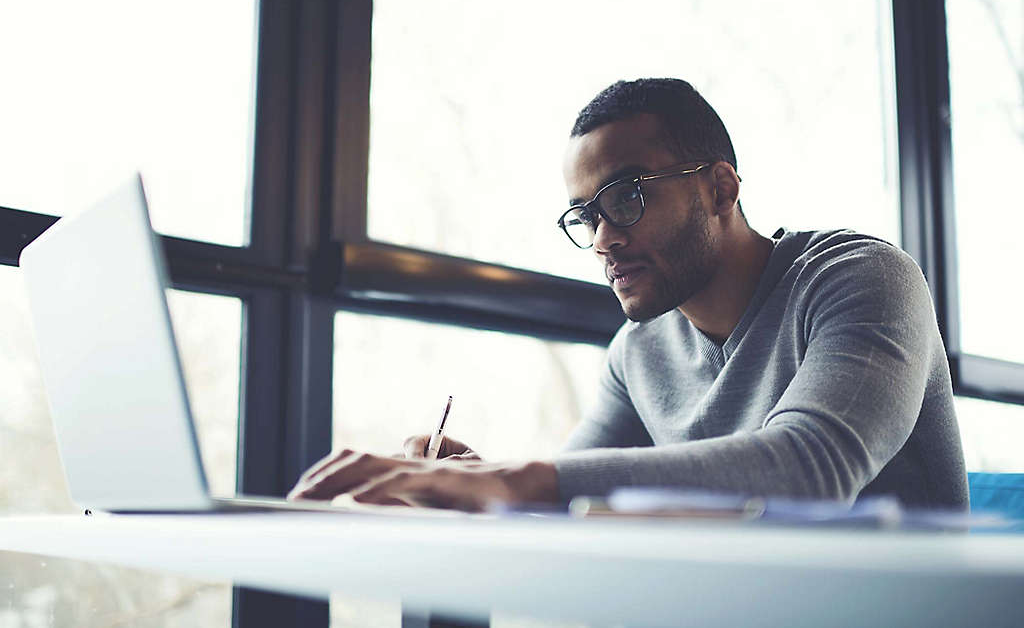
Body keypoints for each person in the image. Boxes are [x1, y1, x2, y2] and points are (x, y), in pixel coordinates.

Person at [287, 78, 969, 512]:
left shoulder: (861, 278)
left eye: (629, 196)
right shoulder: (637, 352)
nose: (604, 238)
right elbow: (575, 488)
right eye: (586, 215)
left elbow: (812, 468)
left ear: (721, 188)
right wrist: (477, 482)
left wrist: (519, 480)